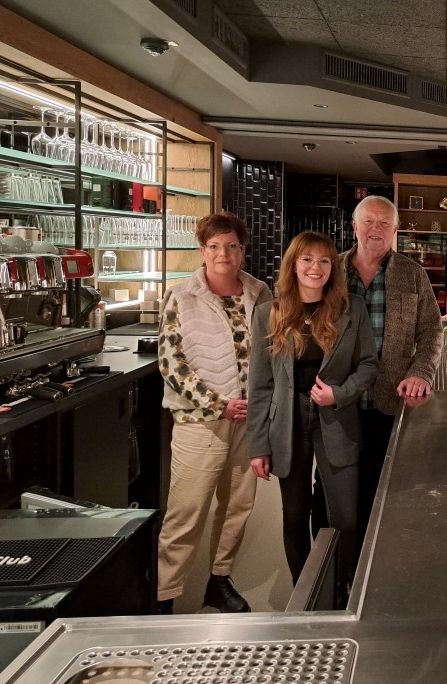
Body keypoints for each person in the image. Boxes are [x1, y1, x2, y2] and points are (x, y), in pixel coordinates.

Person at [247, 232, 378, 593]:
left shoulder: (352, 308)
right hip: (287, 420)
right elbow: (259, 385)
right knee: (294, 514)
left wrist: (340, 393)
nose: (315, 267)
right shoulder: (268, 314)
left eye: (324, 260)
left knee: (345, 516)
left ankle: (342, 584)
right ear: (293, 265)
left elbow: (368, 365)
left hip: (336, 418)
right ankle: (303, 588)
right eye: (306, 259)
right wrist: (258, 446)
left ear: (333, 267)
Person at [155, 212, 272, 614]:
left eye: (231, 246)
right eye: (215, 246)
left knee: (237, 508)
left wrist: (260, 406)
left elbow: (271, 353)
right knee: (186, 512)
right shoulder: (181, 296)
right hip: (199, 422)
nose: (224, 254)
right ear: (202, 250)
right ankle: (164, 596)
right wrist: (218, 404)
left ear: (243, 250)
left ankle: (219, 581)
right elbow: (172, 364)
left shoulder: (259, 292)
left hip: (248, 421)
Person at [340, 195, 443, 558]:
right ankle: (337, 568)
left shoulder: (412, 274)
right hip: (338, 403)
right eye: (368, 221)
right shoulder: (331, 271)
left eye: (385, 223)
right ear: (354, 226)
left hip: (390, 401)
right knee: (335, 489)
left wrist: (421, 372)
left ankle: (372, 564)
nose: (376, 229)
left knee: (381, 489)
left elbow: (431, 331)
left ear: (395, 230)